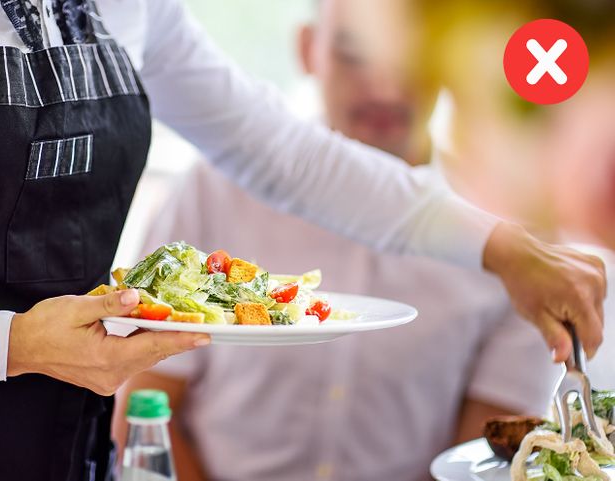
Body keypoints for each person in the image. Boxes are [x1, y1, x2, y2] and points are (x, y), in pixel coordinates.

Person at [0, 1, 605, 480]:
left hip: (64, 451)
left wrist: (501, 247)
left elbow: (286, 155)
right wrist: (12, 344)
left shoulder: (133, 8)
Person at [111, 0, 560, 479]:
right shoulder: (212, 191)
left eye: (410, 59)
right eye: (353, 55)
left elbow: (489, 451)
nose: (385, 88)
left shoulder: (519, 237)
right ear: (308, 50)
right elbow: (145, 405)